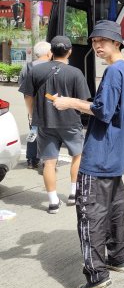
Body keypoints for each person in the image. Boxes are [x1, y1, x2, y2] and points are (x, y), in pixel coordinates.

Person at [53, 20, 124, 288]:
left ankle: (96, 275)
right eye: (93, 41)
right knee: (114, 211)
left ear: (116, 42)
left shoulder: (114, 72)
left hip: (100, 156)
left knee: (89, 215)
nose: (97, 45)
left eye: (102, 40)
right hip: (116, 155)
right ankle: (118, 258)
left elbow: (103, 110)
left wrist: (70, 102)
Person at [19, 36, 90, 213]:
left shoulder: (35, 71)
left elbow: (28, 96)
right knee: (78, 156)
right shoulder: (75, 73)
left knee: (49, 163)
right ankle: (74, 194)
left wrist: (32, 114)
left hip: (45, 122)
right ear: (70, 51)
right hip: (70, 122)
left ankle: (52, 202)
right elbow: (82, 100)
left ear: (51, 52)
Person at [18, 41, 52, 169]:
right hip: (51, 105)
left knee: (34, 131)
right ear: (49, 53)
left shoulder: (27, 67)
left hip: (32, 105)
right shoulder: (54, 66)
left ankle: (31, 160)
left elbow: (22, 87)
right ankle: (47, 161)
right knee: (50, 134)